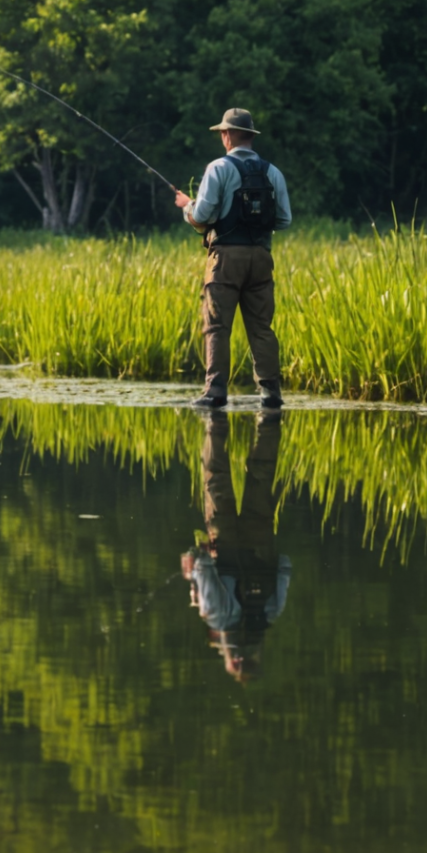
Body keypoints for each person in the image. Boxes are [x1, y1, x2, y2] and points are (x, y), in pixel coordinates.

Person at [172, 108, 291, 410]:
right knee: (261, 328)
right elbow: (284, 220)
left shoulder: (218, 168)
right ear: (250, 135)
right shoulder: (272, 171)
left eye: (222, 133)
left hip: (225, 258)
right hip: (261, 257)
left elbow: (201, 216)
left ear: (227, 135)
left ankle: (215, 392)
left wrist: (187, 206)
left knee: (217, 325)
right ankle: (271, 393)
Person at [181, 412, 292, 684]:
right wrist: (193, 563)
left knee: (262, 475)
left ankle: (269, 419)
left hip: (259, 540)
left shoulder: (270, 613)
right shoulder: (218, 619)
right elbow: (205, 569)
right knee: (216, 477)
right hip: (224, 541)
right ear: (233, 658)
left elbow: (285, 566)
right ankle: (215, 419)